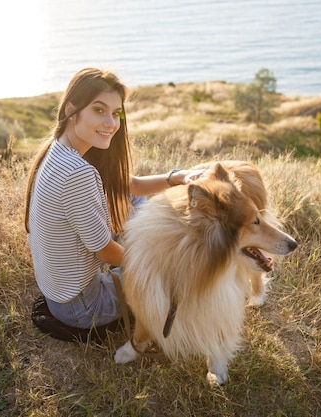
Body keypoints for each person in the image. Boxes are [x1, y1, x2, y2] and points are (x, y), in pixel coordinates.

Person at [24, 68, 201, 338]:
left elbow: (129, 186)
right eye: (99, 110)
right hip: (82, 307)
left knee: (134, 200)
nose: (111, 123)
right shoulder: (76, 174)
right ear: (72, 110)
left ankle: (154, 242)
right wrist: (160, 265)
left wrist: (175, 178)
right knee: (174, 279)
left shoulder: (58, 148)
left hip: (61, 296)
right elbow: (105, 252)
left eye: (116, 113)